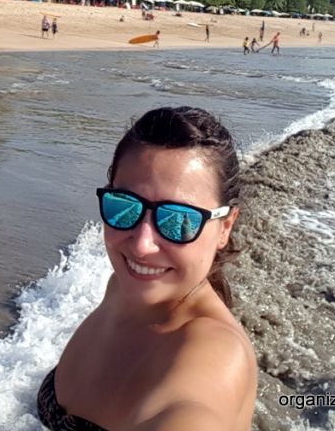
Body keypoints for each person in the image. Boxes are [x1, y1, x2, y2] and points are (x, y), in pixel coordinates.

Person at [38, 107, 256, 430]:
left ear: (225, 227)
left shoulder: (220, 355)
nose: (142, 245)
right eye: (124, 206)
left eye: (178, 220)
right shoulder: (122, 287)